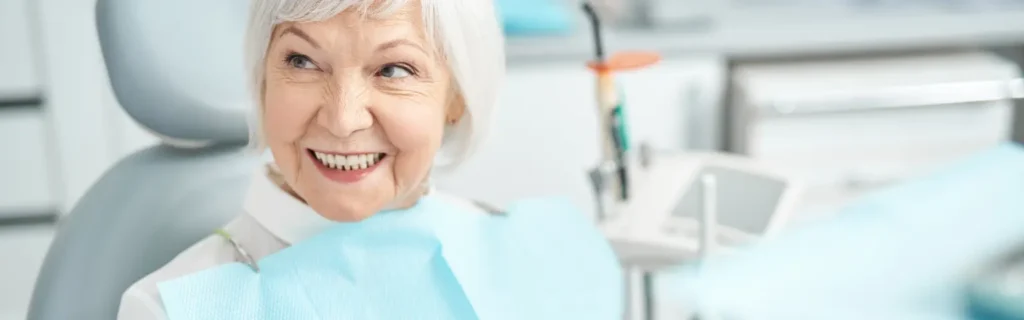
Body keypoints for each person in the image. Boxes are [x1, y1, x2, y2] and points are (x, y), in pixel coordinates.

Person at [117, 0, 505, 318]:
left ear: (455, 98)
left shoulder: (511, 252)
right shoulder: (164, 310)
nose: (342, 120)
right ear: (263, 80)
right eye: (302, 61)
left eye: (393, 70)